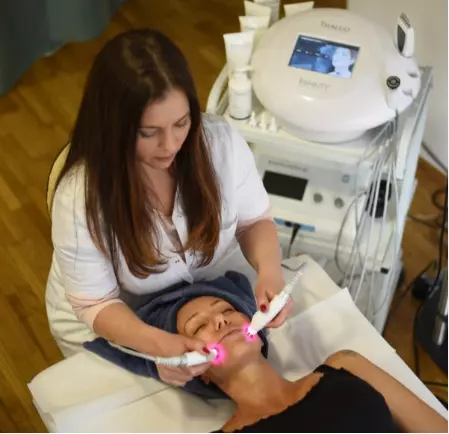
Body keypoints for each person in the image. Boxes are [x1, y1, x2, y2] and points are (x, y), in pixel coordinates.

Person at [45, 28, 292, 387]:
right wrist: (158, 346)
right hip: (118, 313)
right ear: (114, 128)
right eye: (149, 132)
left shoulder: (220, 144)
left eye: (181, 123)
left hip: (200, 285)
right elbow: (95, 303)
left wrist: (269, 272)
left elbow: (253, 221)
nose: (170, 144)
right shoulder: (80, 199)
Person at [84, 271, 447, 433]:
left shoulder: (346, 367)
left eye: (228, 309)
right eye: (198, 327)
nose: (221, 320)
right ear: (198, 370)